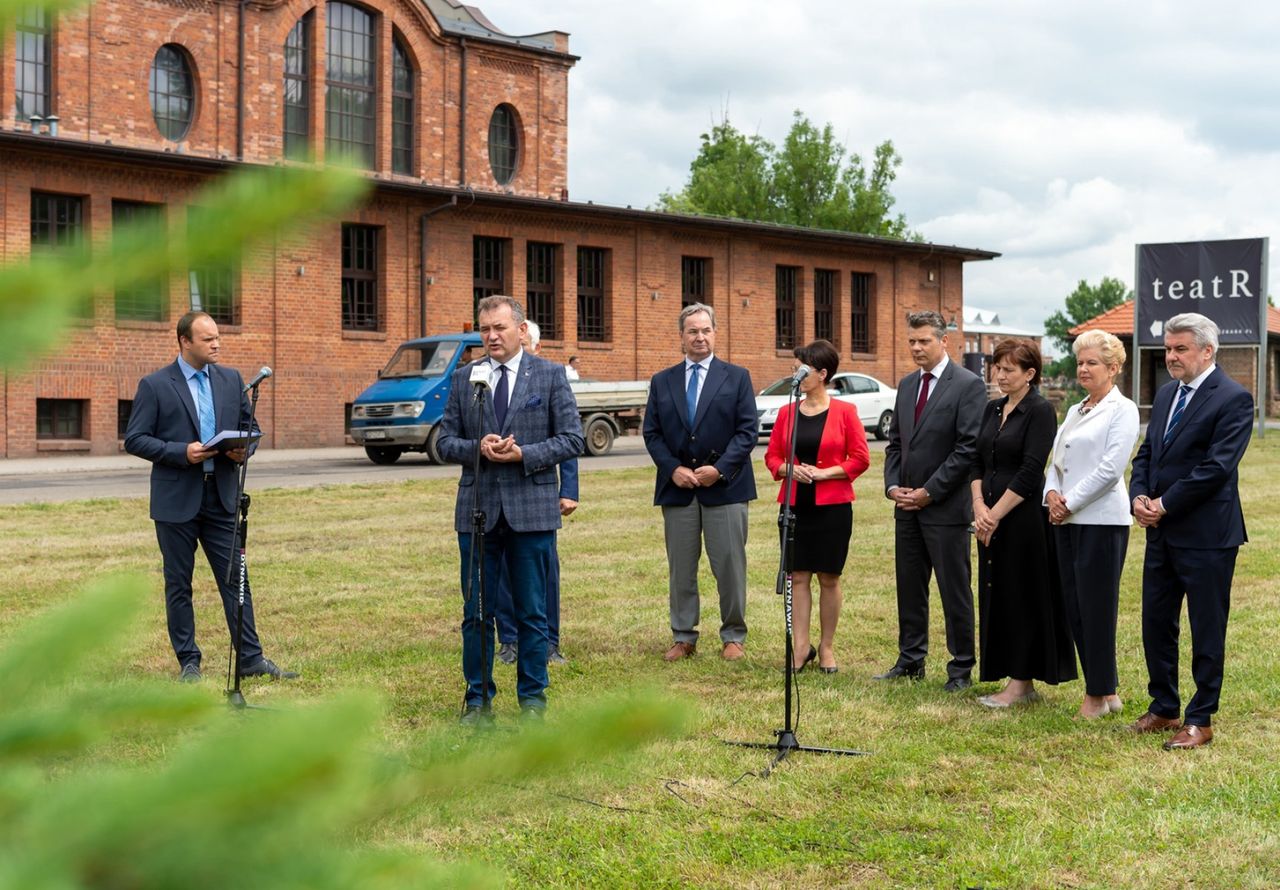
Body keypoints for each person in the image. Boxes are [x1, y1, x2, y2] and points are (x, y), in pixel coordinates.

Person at [123, 310, 296, 682]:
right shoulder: (155, 385)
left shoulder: (232, 380)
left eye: (218, 337)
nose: (216, 343)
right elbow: (135, 439)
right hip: (176, 502)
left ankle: (251, 658)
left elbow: (251, 428)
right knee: (179, 584)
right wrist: (180, 451)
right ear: (185, 341)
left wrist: (242, 450)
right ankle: (189, 662)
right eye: (207, 339)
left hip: (221, 497)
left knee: (237, 579)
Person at [437, 296, 583, 725]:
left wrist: (525, 454)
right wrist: (476, 448)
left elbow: (573, 439)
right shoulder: (467, 378)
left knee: (531, 611)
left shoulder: (551, 376)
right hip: (478, 510)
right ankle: (478, 701)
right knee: (476, 612)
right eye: (484, 329)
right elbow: (445, 442)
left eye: (499, 327)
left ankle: (533, 702)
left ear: (522, 330)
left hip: (532, 509)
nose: (491, 336)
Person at [1128, 312, 1253, 750]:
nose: (1171, 357)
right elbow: (1147, 454)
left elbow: (1216, 468)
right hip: (1160, 533)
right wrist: (1139, 497)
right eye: (1167, 348)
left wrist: (1164, 504)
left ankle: (1200, 718)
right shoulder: (1165, 396)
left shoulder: (1233, 398)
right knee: (1156, 623)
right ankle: (1163, 707)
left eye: (1181, 349)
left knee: (1206, 627)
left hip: (1207, 535)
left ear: (1207, 350)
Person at [877, 310, 986, 691]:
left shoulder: (968, 385)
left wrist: (929, 492)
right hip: (905, 507)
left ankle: (961, 667)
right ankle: (911, 660)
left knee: (954, 589)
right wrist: (894, 488)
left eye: (924, 340)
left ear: (945, 341)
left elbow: (967, 447)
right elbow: (895, 445)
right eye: (912, 341)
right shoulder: (906, 385)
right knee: (909, 587)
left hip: (945, 508)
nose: (917, 347)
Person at [643, 302, 757, 662]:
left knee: (729, 565)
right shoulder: (663, 381)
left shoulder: (736, 377)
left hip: (726, 487)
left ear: (715, 333)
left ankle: (733, 636)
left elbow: (747, 431)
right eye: (692, 331)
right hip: (678, 488)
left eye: (706, 330)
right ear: (681, 336)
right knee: (681, 567)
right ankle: (683, 635)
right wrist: (672, 468)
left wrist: (720, 469)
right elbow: (652, 432)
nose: (700, 337)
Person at [970, 338, 1076, 707]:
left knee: (1021, 597)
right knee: (997, 594)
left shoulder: (1040, 411)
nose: (999, 375)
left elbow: (1032, 472)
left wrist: (995, 515)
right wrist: (979, 507)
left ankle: (1021, 683)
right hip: (989, 518)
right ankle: (1008, 675)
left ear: (1030, 374)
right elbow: (977, 461)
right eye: (996, 368)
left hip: (1023, 521)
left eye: (1008, 370)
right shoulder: (991, 409)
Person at [1044, 329, 1139, 718]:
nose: (1083, 369)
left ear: (1113, 368)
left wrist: (1069, 503)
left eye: (1092, 363)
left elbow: (1111, 468)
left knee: (1097, 609)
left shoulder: (1123, 410)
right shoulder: (1073, 409)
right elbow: (1057, 461)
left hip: (1101, 521)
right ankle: (1108, 691)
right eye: (1080, 362)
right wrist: (1050, 494)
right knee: (1076, 608)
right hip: (1065, 520)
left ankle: (1096, 695)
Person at [764, 340, 871, 673]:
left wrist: (825, 473)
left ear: (823, 374)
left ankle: (826, 647)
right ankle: (800, 648)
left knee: (828, 577)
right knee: (797, 576)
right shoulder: (786, 412)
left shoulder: (846, 412)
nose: (796, 374)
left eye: (803, 369)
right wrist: (788, 469)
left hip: (832, 506)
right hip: (795, 505)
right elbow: (772, 457)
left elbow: (860, 458)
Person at [492, 320, 579, 666]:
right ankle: (509, 638)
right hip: (498, 494)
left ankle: (548, 640)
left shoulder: (549, 377)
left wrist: (568, 489)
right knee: (501, 571)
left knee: (544, 573)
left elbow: (567, 439)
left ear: (536, 347)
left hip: (538, 493)